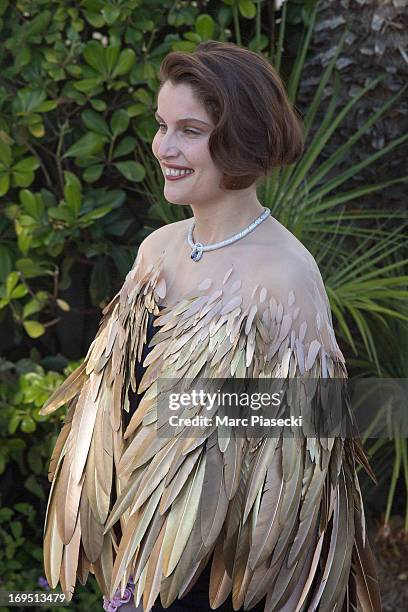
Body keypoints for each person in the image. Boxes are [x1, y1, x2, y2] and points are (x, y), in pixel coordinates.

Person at [40, 41, 381, 611]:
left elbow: (319, 427)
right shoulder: (158, 250)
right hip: (136, 563)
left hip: (220, 580)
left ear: (241, 139)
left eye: (189, 131)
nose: (164, 148)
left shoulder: (285, 272)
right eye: (161, 125)